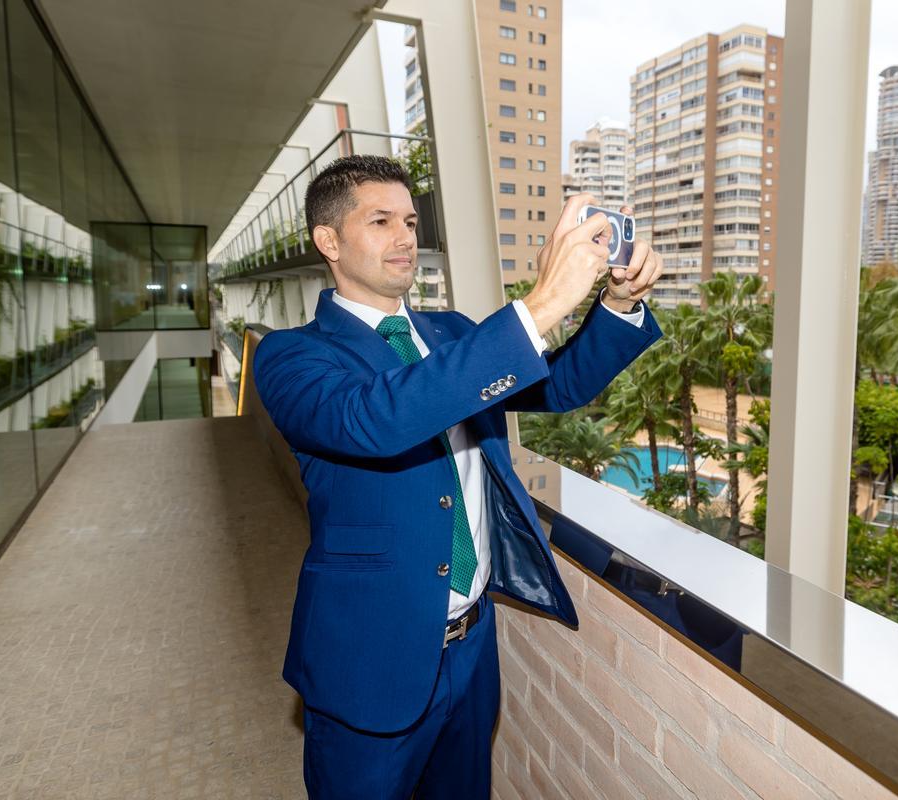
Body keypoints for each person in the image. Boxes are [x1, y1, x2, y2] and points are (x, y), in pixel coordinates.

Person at [252, 154, 662, 799]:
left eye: (411, 221)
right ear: (327, 240)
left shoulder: (452, 335)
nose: (405, 237)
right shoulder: (292, 355)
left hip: (471, 647)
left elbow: (560, 386)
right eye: (381, 220)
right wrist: (543, 301)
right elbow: (376, 420)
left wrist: (617, 303)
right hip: (370, 657)